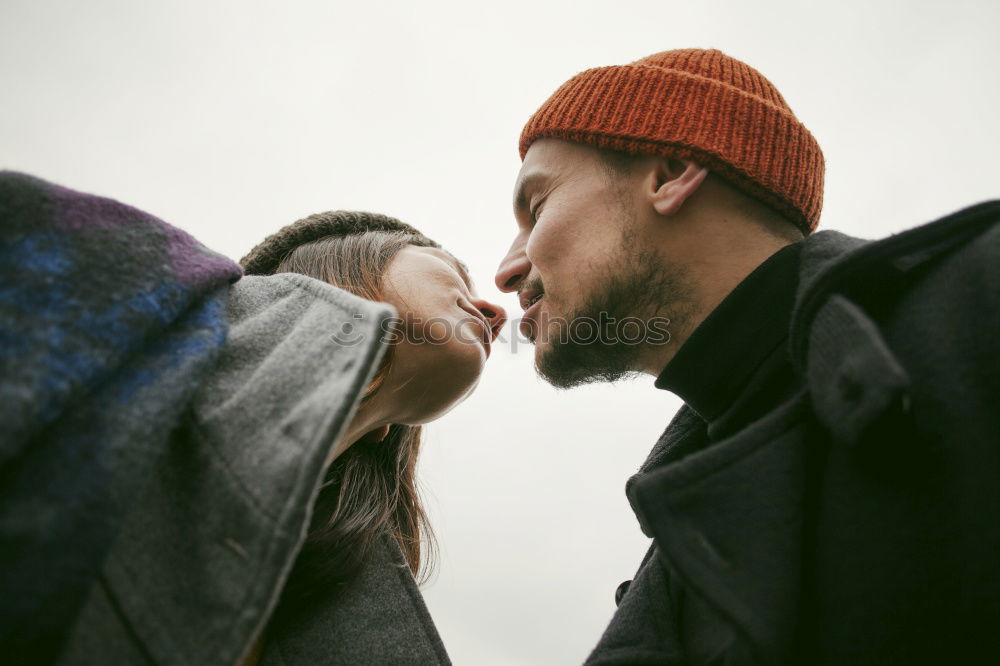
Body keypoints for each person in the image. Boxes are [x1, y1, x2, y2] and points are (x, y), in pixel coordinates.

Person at [494, 48, 1000, 664]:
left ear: (672, 171)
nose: (506, 269)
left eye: (537, 206)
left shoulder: (980, 305)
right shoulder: (682, 542)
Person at [0, 172, 506, 665]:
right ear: (343, 263)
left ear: (383, 431)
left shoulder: (337, 594)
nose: (495, 311)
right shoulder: (119, 263)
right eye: (455, 272)